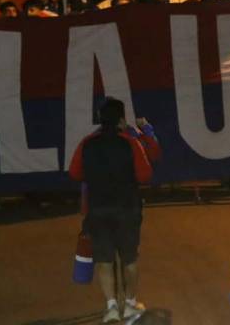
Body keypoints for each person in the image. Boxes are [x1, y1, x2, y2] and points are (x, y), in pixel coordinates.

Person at [69, 97, 161, 324]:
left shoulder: (86, 142)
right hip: (127, 209)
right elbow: (145, 175)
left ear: (100, 119)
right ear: (121, 119)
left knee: (104, 260)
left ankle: (110, 307)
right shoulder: (130, 142)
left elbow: (75, 173)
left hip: (98, 210)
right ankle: (129, 304)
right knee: (129, 259)